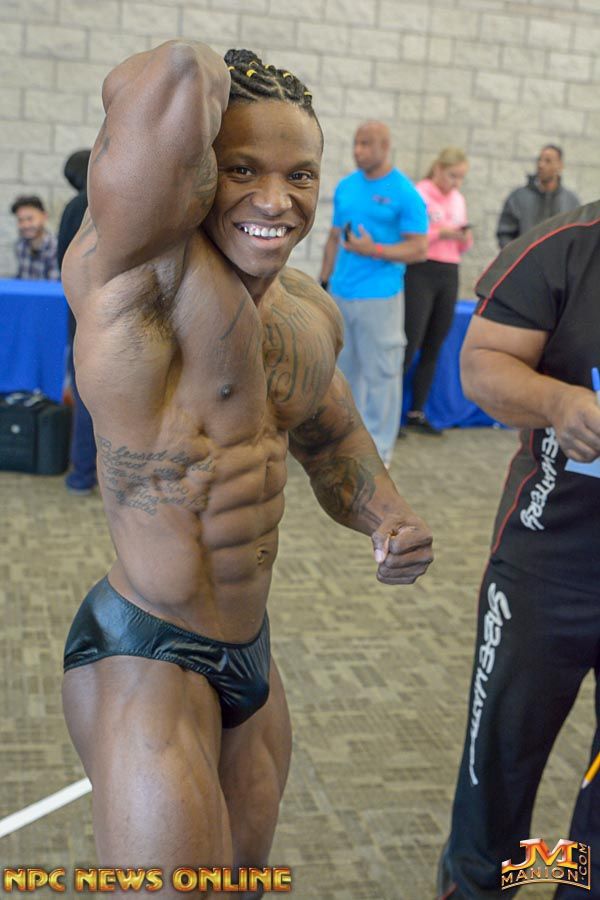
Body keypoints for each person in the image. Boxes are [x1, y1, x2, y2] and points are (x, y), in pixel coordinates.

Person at [60, 41, 434, 896]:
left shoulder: (307, 313)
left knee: (244, 881)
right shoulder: (136, 277)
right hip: (149, 650)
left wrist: (389, 515)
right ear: (196, 176)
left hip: (250, 655)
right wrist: (209, 65)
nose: (275, 200)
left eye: (300, 175)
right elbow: (169, 81)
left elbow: (332, 438)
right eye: (242, 169)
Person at [437, 200, 600, 900]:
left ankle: (580, 882)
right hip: (548, 562)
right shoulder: (566, 250)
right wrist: (559, 403)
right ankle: (484, 884)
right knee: (500, 769)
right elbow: (481, 365)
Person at [318, 121, 428, 468]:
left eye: (366, 144)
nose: (358, 150)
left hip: (380, 297)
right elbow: (334, 237)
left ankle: (379, 452)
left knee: (381, 375)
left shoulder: (405, 192)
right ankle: (342, 443)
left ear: (384, 146)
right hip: (341, 292)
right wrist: (323, 282)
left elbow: (419, 249)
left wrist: (374, 250)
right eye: (356, 143)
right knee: (342, 375)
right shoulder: (347, 187)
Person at [403, 147, 473, 436]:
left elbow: (464, 245)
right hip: (422, 270)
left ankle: (417, 411)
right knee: (411, 341)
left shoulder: (458, 199)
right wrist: (442, 233)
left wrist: (464, 236)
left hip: (449, 270)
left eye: (461, 178)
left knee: (435, 343)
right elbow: (412, 236)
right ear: (438, 169)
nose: (456, 183)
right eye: (453, 175)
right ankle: (389, 411)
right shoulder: (420, 193)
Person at [57, 149, 97, 495]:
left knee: (84, 393)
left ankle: (82, 474)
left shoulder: (73, 208)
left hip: (79, 311)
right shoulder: (101, 204)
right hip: (107, 309)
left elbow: (62, 263)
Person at [496, 144, 580, 249]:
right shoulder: (518, 197)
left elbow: (577, 238)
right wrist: (515, 255)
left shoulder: (571, 202)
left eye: (548, 161)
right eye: (539, 160)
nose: (541, 165)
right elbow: (505, 233)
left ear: (560, 165)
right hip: (525, 258)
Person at [10, 194, 59, 280]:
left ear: (44, 216)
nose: (25, 225)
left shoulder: (55, 247)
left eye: (30, 219)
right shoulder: (20, 245)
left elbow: (54, 283)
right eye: (20, 220)